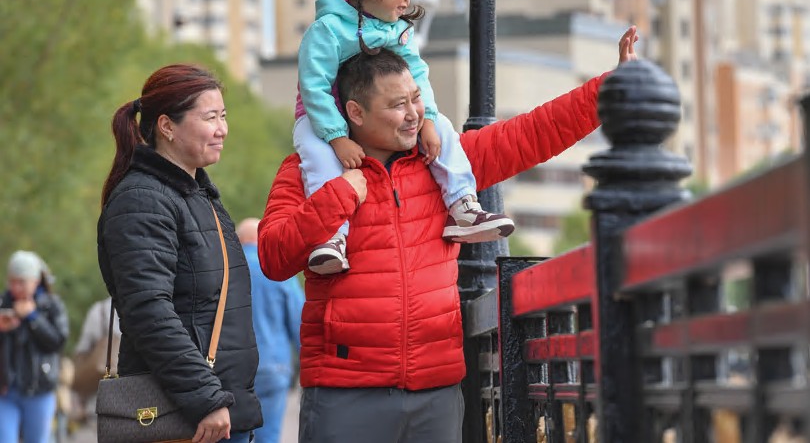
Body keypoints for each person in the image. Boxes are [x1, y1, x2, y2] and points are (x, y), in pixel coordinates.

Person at [258, 30, 638, 443]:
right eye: (397, 104)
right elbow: (273, 257)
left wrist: (610, 88)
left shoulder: (444, 164)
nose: (413, 114)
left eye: (415, 99)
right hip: (343, 391)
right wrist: (342, 194)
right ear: (356, 112)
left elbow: (532, 134)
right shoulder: (307, 171)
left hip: (435, 392)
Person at [296, 0, 514, 276]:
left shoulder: (398, 28)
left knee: (444, 128)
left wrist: (427, 119)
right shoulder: (328, 30)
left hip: (372, 117)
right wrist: (336, 137)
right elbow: (313, 86)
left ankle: (462, 204)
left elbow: (418, 75)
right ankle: (331, 237)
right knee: (316, 156)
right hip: (324, 117)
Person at [97, 63, 263, 443]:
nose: (223, 129)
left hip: (216, 413)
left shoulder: (196, 195)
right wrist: (206, 398)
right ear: (167, 127)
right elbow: (148, 311)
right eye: (210, 118)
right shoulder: (142, 200)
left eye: (223, 116)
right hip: (187, 416)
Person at [237, 218, 304, 443]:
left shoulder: (226, 270)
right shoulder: (278, 271)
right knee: (269, 435)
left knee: (234, 434)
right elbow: (299, 321)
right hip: (273, 367)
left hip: (233, 370)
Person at [0, 250, 69, 443]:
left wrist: (33, 319)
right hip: (6, 391)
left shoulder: (51, 306)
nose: (16, 287)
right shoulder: (3, 303)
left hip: (39, 389)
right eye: (12, 281)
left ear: (35, 281)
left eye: (21, 282)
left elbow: (58, 341)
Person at [71, 296, 120, 420]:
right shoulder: (151, 303)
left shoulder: (100, 310)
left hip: (101, 396)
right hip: (139, 393)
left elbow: (83, 349)